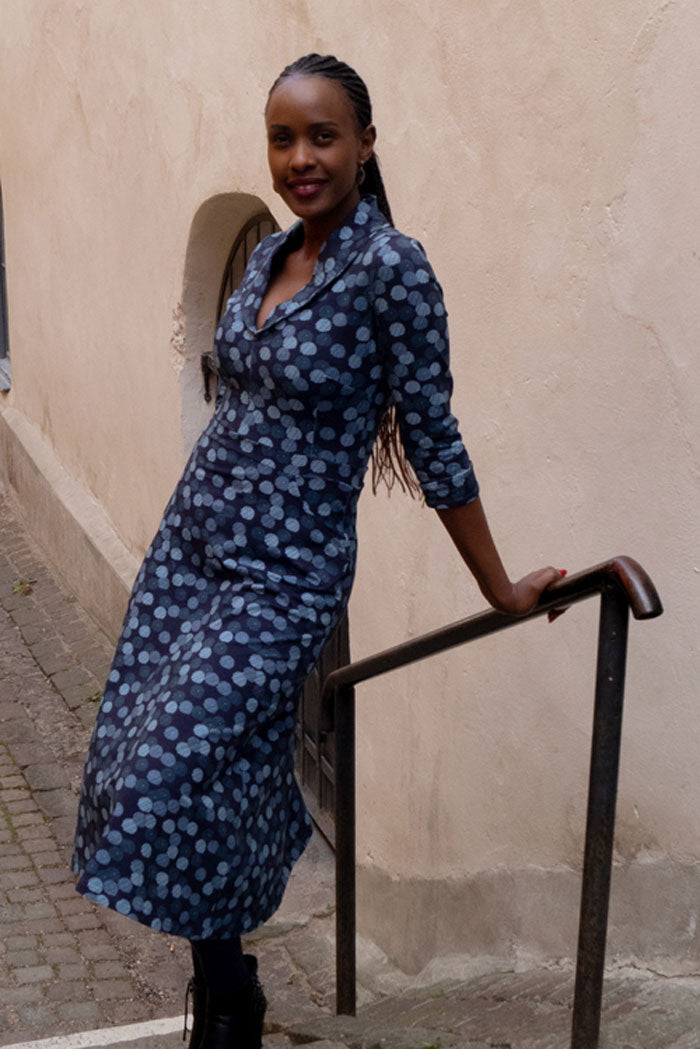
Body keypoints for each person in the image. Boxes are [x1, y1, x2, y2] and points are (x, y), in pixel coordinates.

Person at [72, 53, 563, 1049]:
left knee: (165, 770)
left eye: (322, 136)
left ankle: (230, 988)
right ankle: (227, 990)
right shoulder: (267, 255)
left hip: (284, 576)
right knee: (144, 755)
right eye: (282, 138)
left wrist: (501, 587)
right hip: (191, 549)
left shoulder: (392, 270)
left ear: (365, 144)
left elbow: (434, 440)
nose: (301, 157)